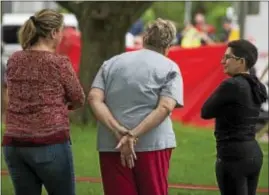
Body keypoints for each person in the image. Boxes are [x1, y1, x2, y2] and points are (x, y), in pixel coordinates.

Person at [88, 18, 184, 195]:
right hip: (153, 144)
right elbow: (165, 107)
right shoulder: (170, 67)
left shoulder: (111, 63)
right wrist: (133, 135)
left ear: (145, 38)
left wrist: (119, 131)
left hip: (112, 143)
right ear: (168, 45)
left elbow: (94, 98)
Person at [2, 9, 85, 195]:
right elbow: (78, 98)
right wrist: (63, 105)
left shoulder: (14, 59)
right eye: (61, 31)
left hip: (14, 144)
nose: (62, 36)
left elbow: (11, 92)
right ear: (54, 32)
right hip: (49, 143)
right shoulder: (59, 63)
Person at [201, 39, 267, 195]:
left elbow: (205, 111)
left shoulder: (232, 85)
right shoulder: (257, 86)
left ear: (241, 62)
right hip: (253, 152)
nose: (222, 61)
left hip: (233, 155)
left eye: (227, 57)